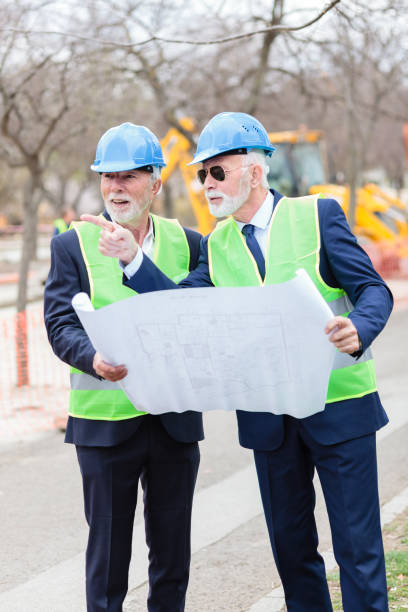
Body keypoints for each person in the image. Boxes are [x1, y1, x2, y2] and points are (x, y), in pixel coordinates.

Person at [88, 112, 393, 611]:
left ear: (254, 171)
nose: (207, 183)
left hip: (341, 409)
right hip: (269, 420)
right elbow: (178, 310)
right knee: (293, 554)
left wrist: (359, 326)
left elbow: (372, 290)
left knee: (358, 551)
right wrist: (132, 259)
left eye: (217, 171)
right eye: (200, 174)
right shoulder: (219, 243)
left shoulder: (318, 215)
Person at [44, 122, 204, 612]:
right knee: (109, 554)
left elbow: (191, 316)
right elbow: (59, 322)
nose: (116, 187)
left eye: (129, 176)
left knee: (172, 552)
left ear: (156, 183)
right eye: (107, 177)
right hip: (106, 425)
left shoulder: (192, 243)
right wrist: (90, 358)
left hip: (174, 421)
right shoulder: (71, 245)